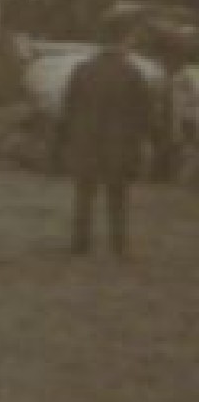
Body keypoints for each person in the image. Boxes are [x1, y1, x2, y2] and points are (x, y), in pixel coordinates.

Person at [59, 19, 159, 258]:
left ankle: (79, 244)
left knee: (84, 194)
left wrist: (70, 138)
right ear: (125, 39)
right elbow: (144, 113)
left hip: (86, 141)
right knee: (117, 196)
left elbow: (68, 108)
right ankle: (119, 246)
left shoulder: (82, 69)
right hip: (119, 143)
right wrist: (147, 141)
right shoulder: (132, 73)